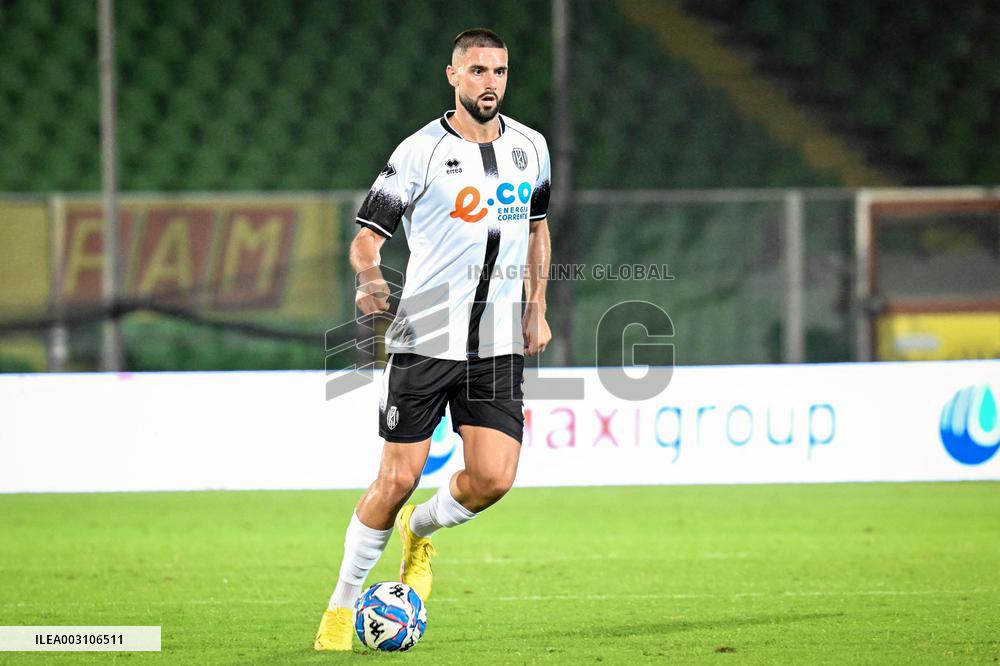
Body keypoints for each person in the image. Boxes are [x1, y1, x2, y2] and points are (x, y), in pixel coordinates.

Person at [314, 27, 553, 650]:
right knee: (395, 480)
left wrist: (536, 307)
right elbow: (366, 238)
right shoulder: (420, 151)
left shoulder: (532, 147)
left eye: (500, 71)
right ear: (453, 76)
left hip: (497, 341)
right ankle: (341, 606)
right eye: (478, 71)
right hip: (426, 336)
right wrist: (370, 278)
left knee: (493, 478)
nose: (490, 83)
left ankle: (419, 531)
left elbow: (537, 229)